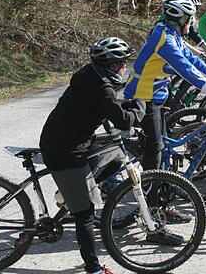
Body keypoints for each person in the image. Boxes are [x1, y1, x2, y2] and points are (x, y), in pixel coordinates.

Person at [124, 0, 206, 235]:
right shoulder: (162, 37)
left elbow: (194, 61)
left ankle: (161, 204)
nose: (193, 23)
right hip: (142, 99)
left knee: (165, 153)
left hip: (157, 99)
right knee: (156, 151)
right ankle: (150, 210)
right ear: (182, 17)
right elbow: (185, 69)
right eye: (191, 18)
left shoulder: (173, 35)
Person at [39, 37, 145, 274]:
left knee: (115, 160)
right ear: (114, 65)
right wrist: (140, 105)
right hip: (65, 150)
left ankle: (68, 192)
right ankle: (93, 269)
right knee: (85, 214)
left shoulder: (93, 76)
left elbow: (108, 106)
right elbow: (122, 119)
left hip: (73, 140)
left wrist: (127, 104)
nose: (126, 67)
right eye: (124, 63)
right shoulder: (101, 86)